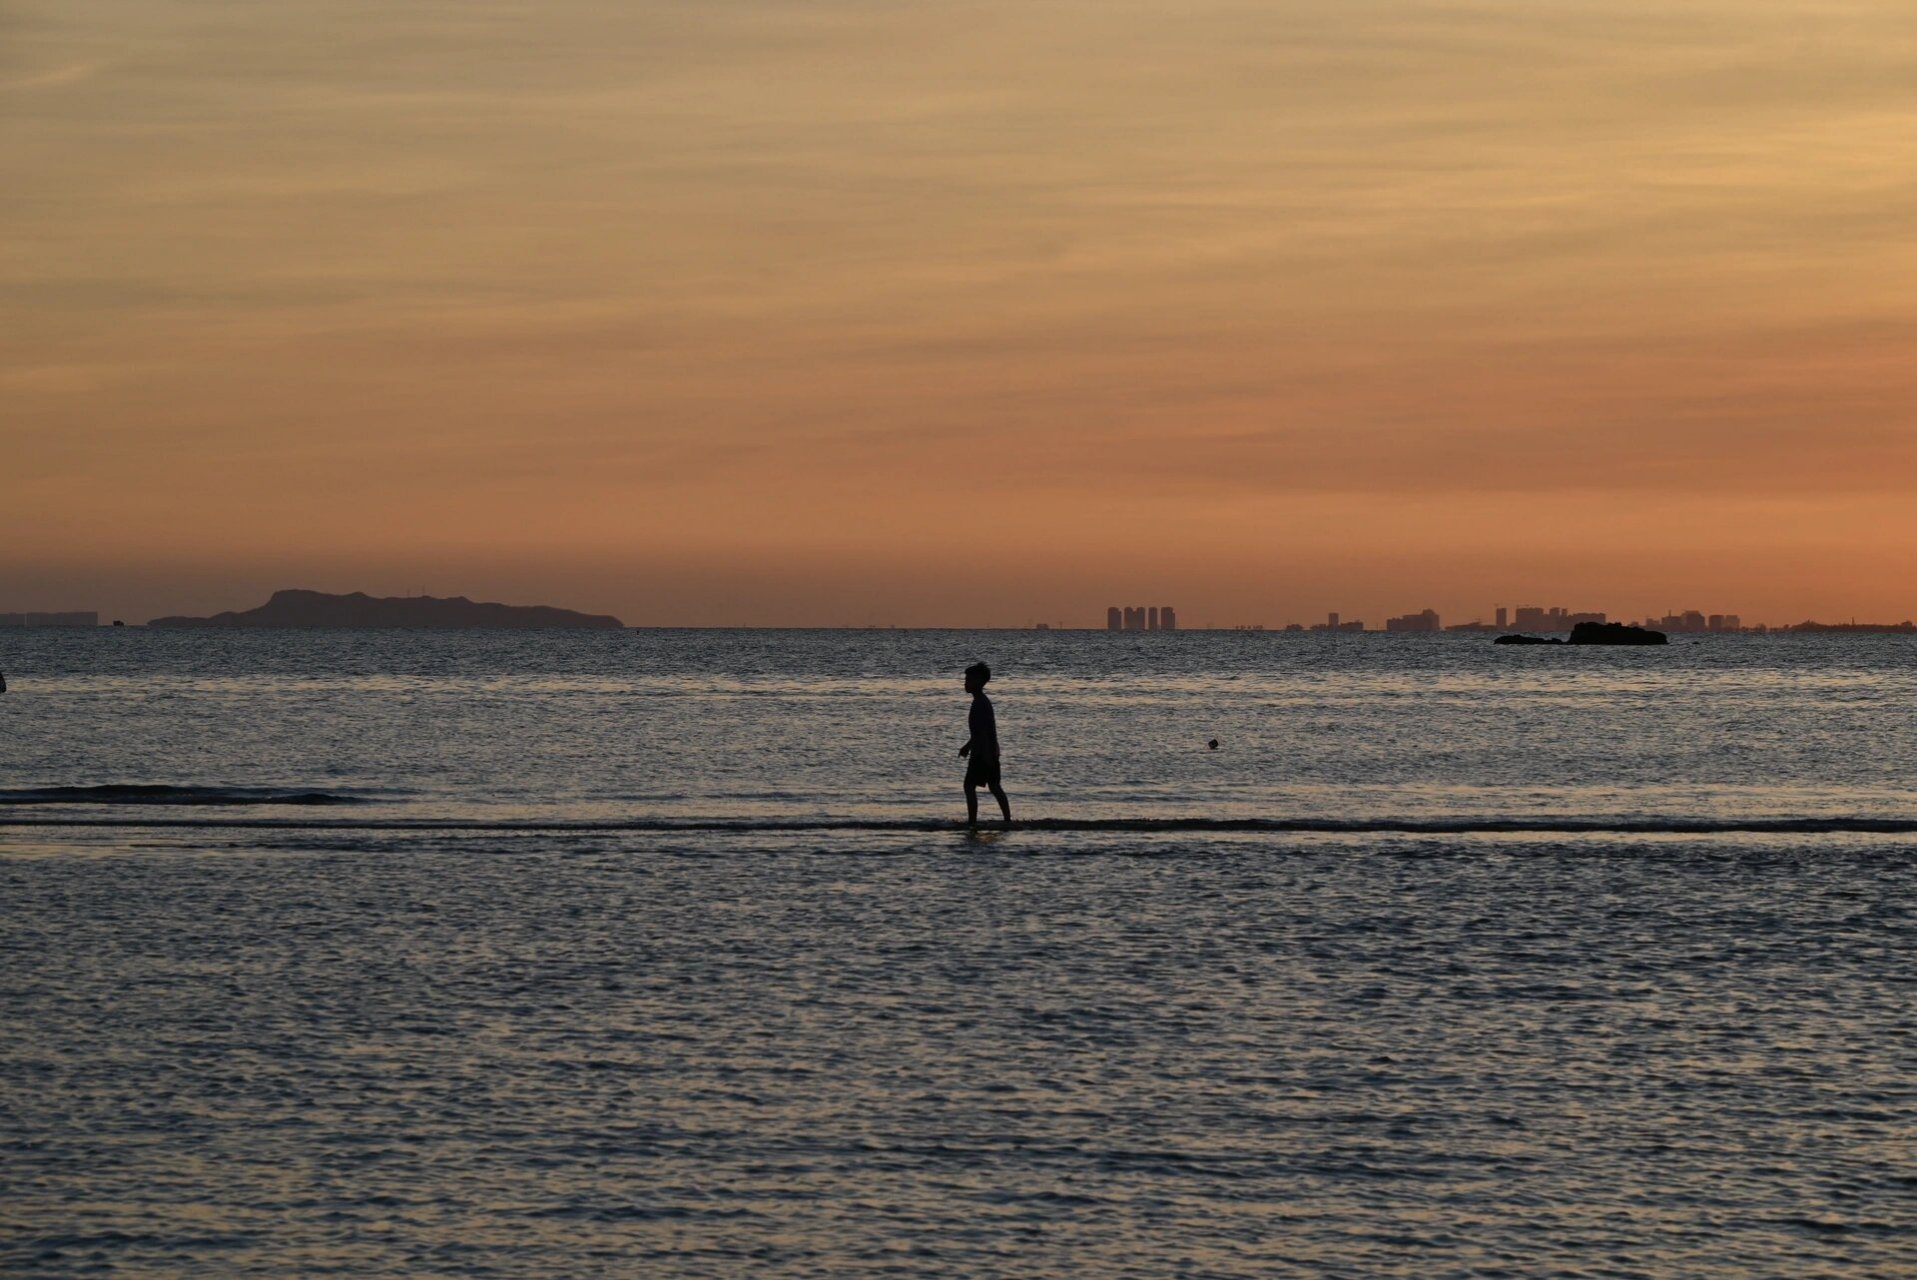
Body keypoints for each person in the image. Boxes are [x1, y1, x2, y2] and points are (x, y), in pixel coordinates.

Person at [958, 661, 1011, 827]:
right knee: (994, 786)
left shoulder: (980, 703)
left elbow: (981, 732)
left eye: (969, 679)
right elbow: (979, 731)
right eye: (966, 679)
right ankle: (1007, 820)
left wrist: (976, 750)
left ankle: (972, 822)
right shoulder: (980, 702)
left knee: (969, 786)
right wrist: (968, 746)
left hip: (983, 753)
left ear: (979, 681)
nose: (965, 683)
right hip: (988, 751)